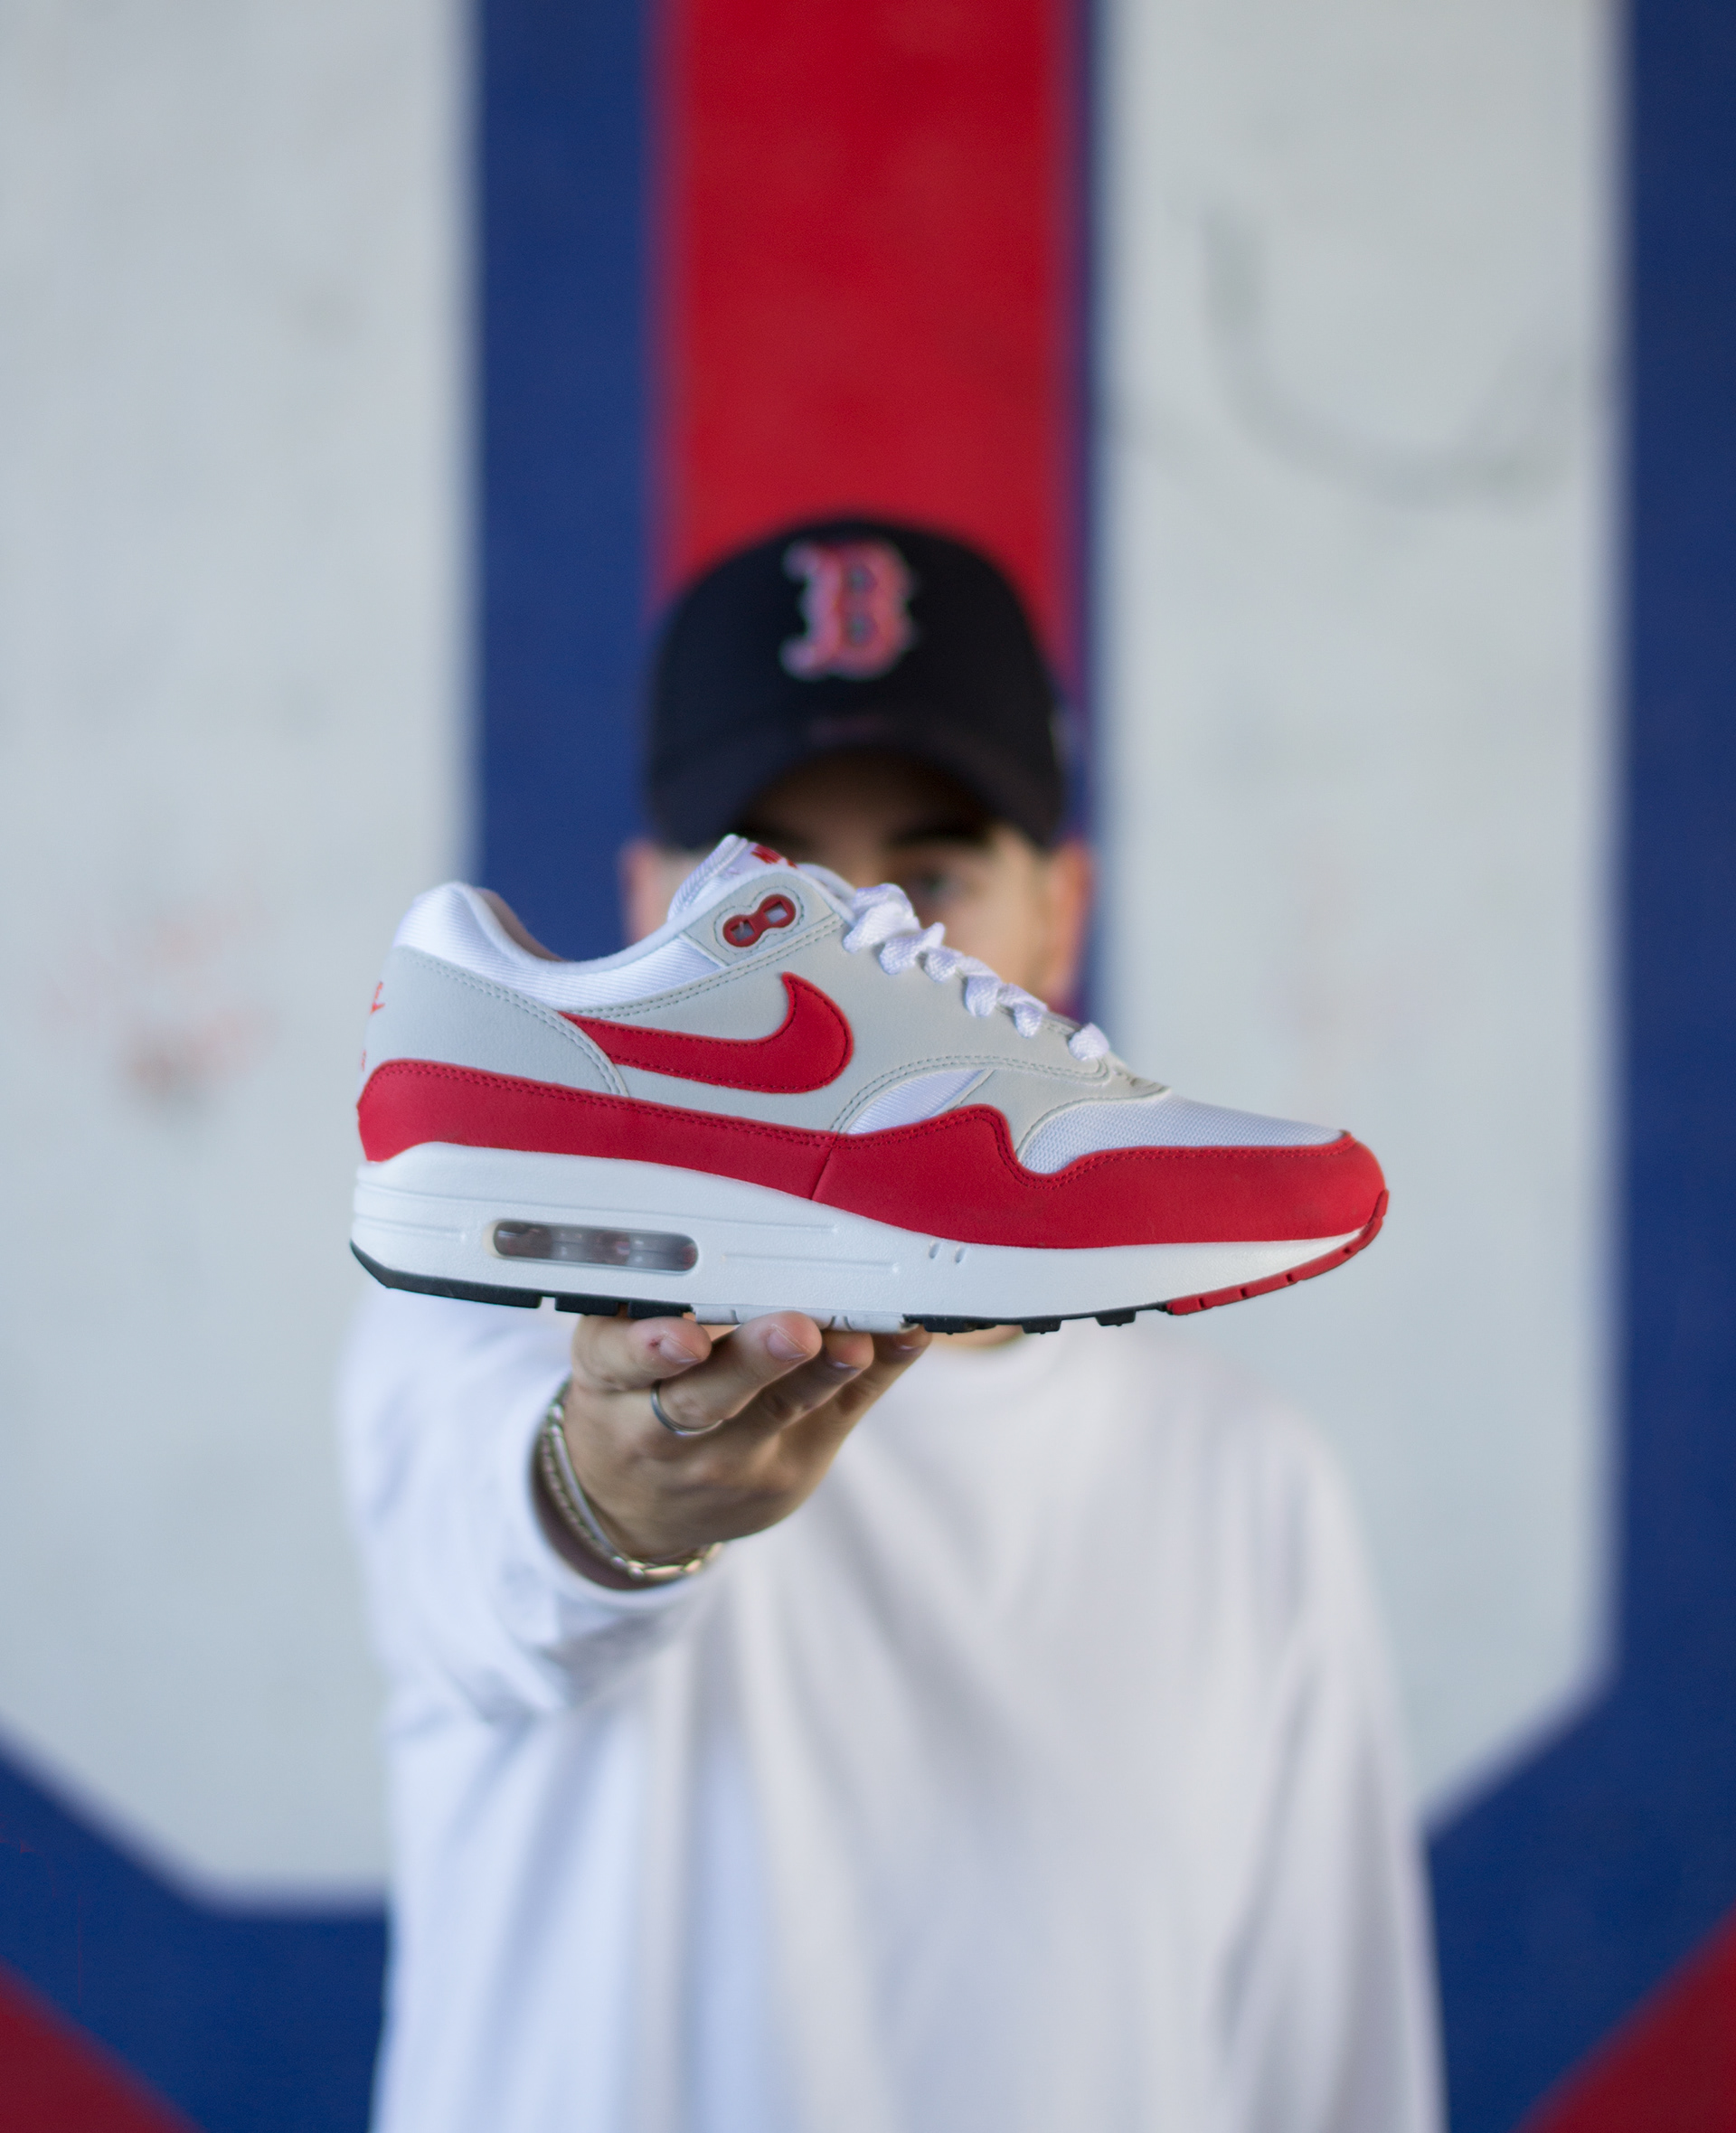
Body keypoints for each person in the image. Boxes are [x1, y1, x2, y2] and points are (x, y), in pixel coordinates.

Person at [339, 518, 1442, 2132]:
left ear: (1061, 911)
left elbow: (1328, 2067)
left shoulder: (1249, 1478)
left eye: (929, 879)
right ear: (653, 907)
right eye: (775, 882)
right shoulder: (484, 1342)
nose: (872, 921)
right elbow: (492, 1562)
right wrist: (613, 1499)